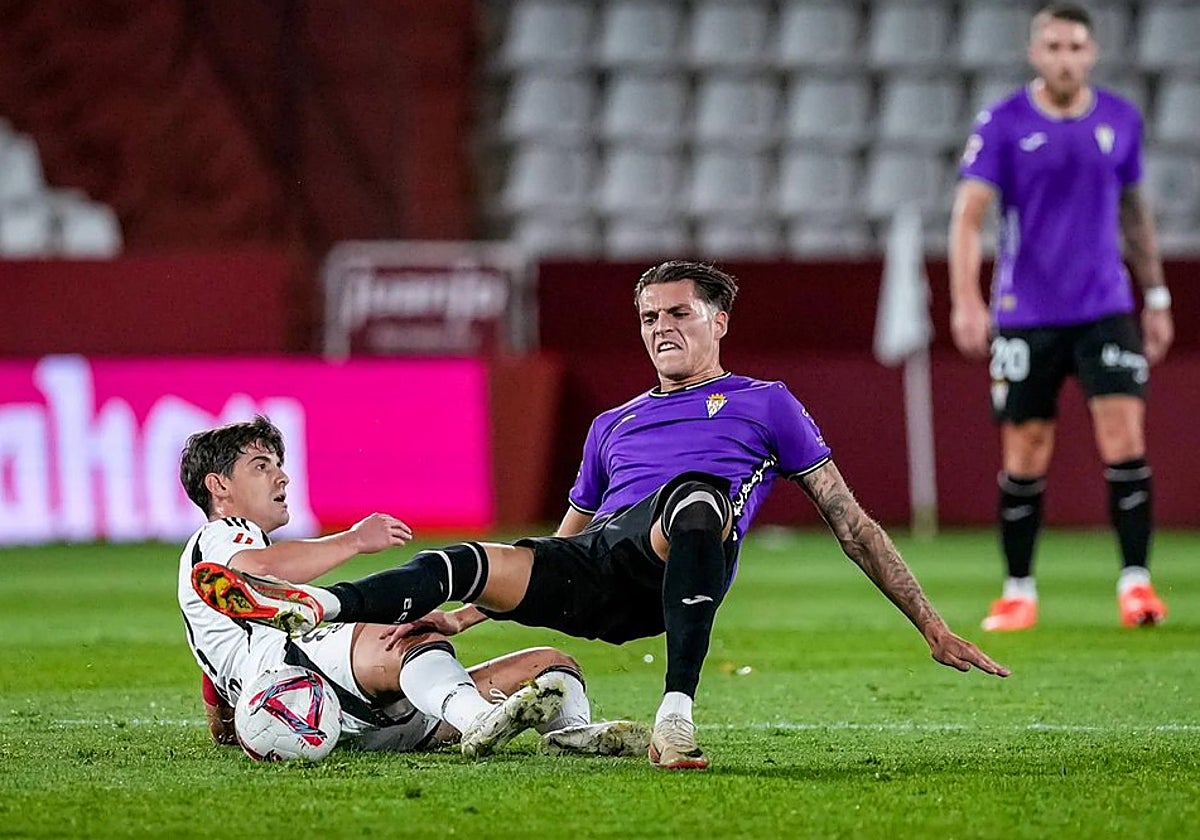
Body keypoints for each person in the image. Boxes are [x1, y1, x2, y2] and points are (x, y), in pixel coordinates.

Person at [194, 261, 1010, 771]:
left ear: (719, 322)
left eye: (679, 313)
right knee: (463, 560)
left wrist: (931, 625)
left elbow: (851, 523)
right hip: (599, 576)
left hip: (675, 557)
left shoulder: (767, 404)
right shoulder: (611, 424)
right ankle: (319, 606)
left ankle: (676, 714)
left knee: (695, 496)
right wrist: (473, 610)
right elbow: (565, 547)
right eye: (650, 317)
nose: (662, 328)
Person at [180, 416, 650, 758]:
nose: (282, 475)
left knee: (550, 665)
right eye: (261, 466)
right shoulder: (219, 535)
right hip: (307, 681)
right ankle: (475, 719)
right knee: (402, 630)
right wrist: (353, 540)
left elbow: (217, 684)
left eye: (279, 464)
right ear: (219, 486)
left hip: (362, 716)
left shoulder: (222, 588)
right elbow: (255, 569)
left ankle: (570, 734)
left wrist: (231, 724)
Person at [948, 3, 1174, 632]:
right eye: (1053, 46)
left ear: (1091, 53)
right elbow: (968, 216)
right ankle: (1018, 591)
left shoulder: (1120, 119)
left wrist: (1156, 296)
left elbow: (1134, 212)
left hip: (1106, 306)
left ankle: (1137, 586)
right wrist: (966, 299)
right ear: (1034, 53)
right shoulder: (1003, 122)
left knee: (1125, 439)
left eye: (1075, 47)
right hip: (1027, 312)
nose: (1065, 58)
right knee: (1025, 449)